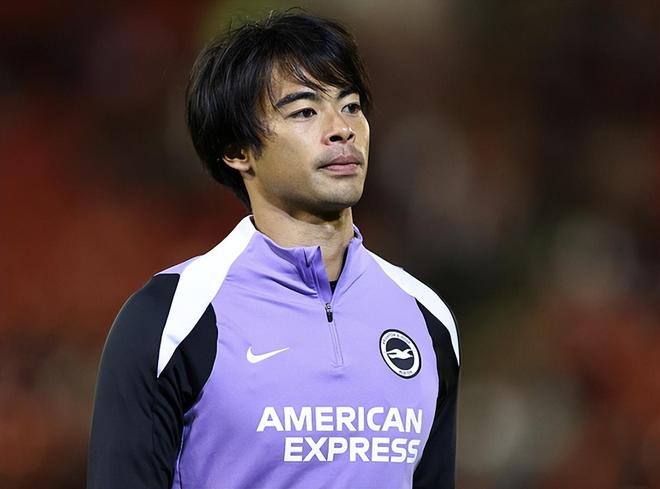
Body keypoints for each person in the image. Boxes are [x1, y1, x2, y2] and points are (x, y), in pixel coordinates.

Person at [87, 11, 460, 489]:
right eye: (304, 112)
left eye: (350, 106)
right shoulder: (172, 319)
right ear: (237, 150)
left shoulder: (427, 318)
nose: (342, 129)